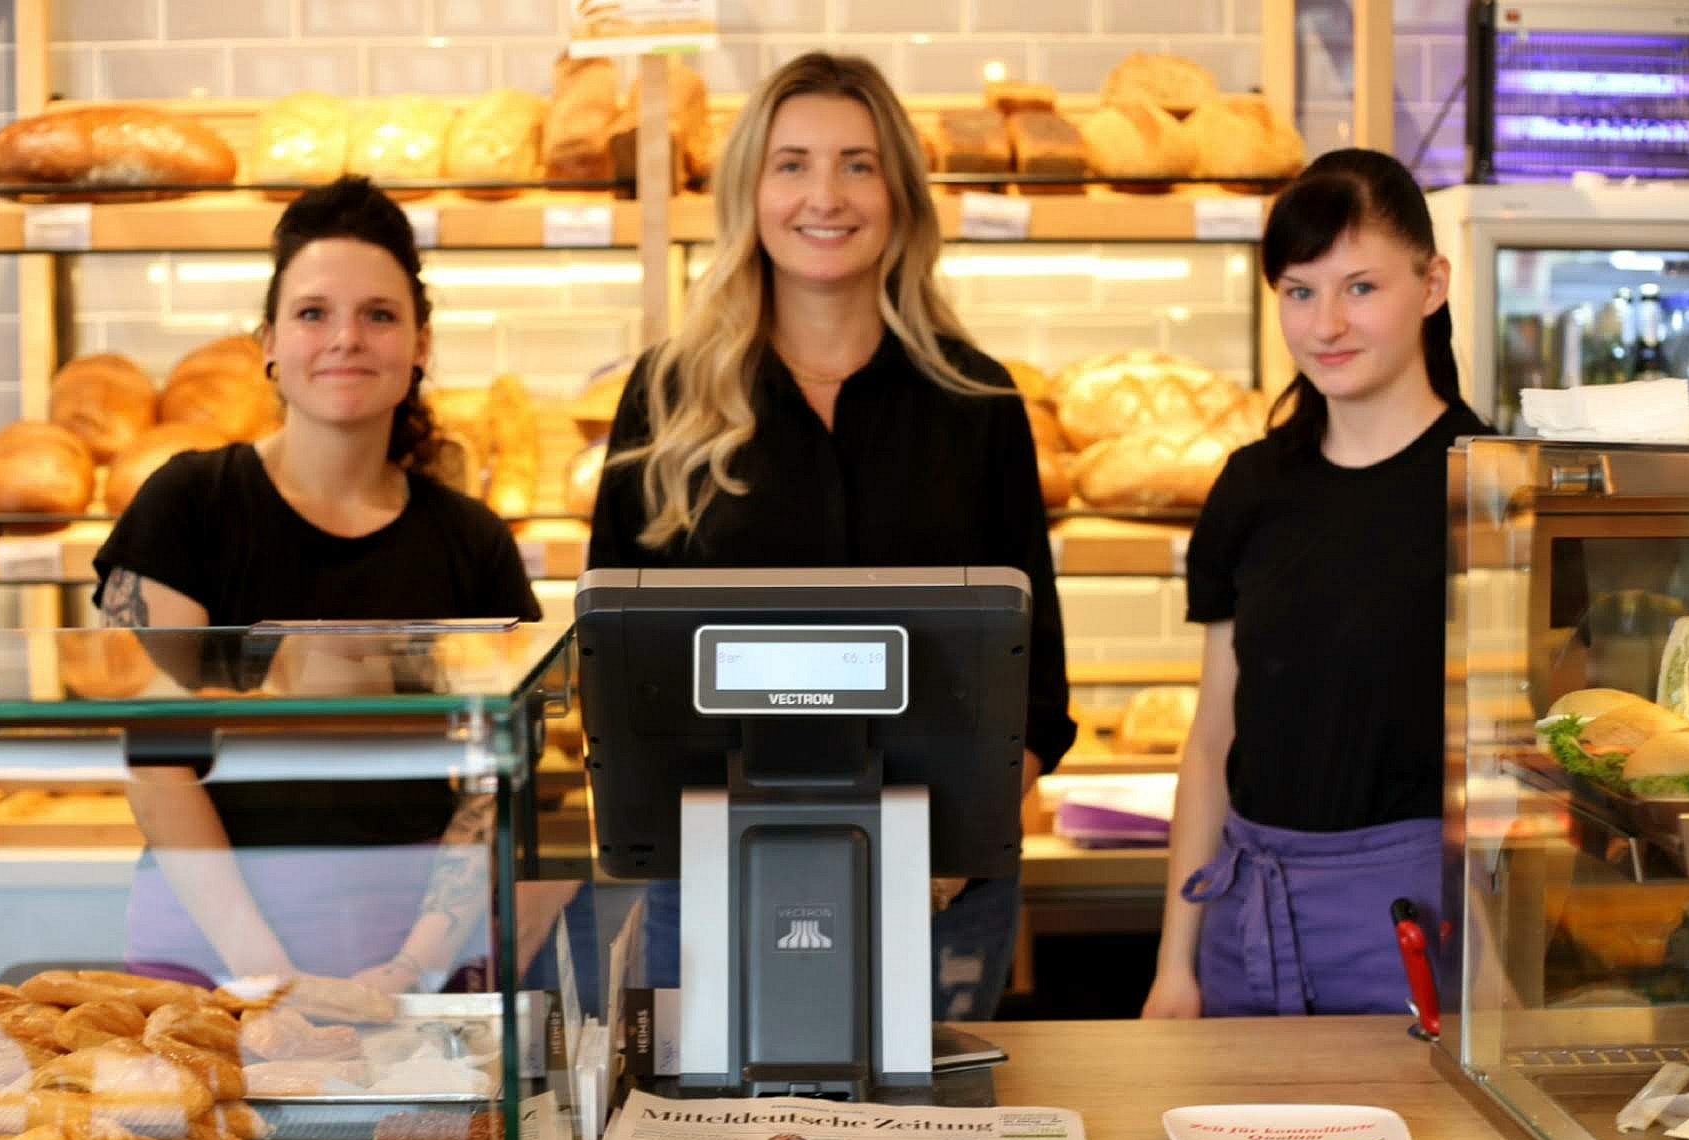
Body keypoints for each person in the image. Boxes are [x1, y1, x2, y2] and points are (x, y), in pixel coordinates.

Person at [587, 51, 1075, 1021]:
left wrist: (937, 861)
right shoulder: (667, 398)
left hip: (940, 897)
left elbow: (1037, 684)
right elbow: (617, 676)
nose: (826, 195)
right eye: (792, 163)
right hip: (715, 885)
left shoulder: (976, 403)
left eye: (857, 163)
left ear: (898, 192)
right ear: (749, 193)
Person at [92, 176, 541, 994]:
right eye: (313, 313)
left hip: (416, 967)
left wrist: (413, 967)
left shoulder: (471, 541)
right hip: (208, 963)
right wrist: (266, 971)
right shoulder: (190, 505)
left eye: (379, 314)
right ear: (266, 340)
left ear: (421, 345)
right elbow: (156, 761)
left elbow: (499, 781)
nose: (347, 338)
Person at [1141, 148, 1489, 1020]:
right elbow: (1213, 731)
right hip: (1242, 919)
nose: (1327, 323)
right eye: (1300, 291)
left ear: (1433, 283)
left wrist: (1504, 974)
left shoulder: (1487, 487)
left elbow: (1522, 768)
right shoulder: (1251, 487)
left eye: (1360, 288)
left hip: (1418, 929)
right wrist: (1174, 965)